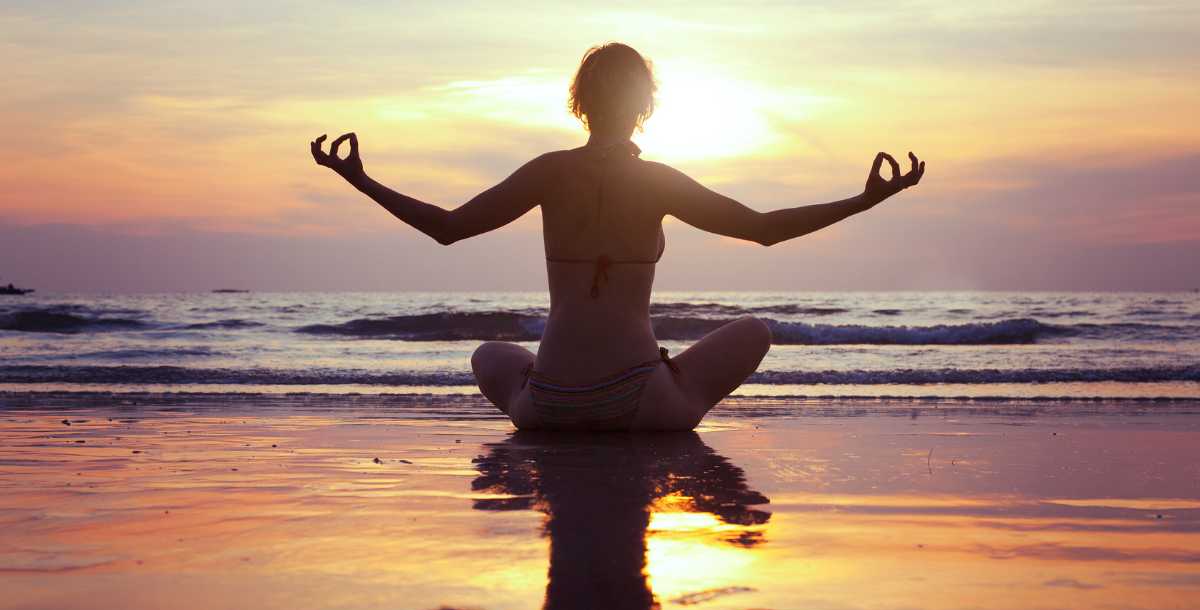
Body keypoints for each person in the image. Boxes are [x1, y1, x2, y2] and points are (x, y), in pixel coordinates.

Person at [311, 43, 924, 431]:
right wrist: (866, 200)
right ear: (645, 106)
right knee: (756, 332)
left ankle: (592, 385)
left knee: (487, 355)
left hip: (548, 407)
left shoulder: (549, 171)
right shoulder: (657, 182)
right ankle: (661, 383)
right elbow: (764, 231)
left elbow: (446, 229)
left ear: (580, 104)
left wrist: (360, 180)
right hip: (641, 406)